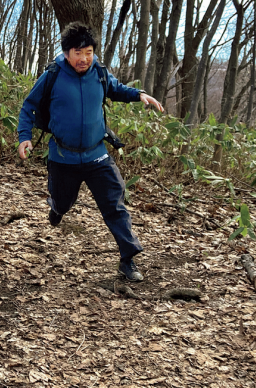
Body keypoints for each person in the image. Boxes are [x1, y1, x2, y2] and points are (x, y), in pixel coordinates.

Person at [17, 22, 163, 282]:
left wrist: (138, 95)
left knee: (114, 205)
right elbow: (29, 106)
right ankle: (58, 208)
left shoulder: (100, 72)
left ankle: (127, 259)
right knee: (63, 200)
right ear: (66, 53)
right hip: (63, 156)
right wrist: (24, 138)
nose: (84, 58)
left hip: (97, 154)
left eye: (89, 52)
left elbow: (116, 89)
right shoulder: (53, 74)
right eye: (78, 52)